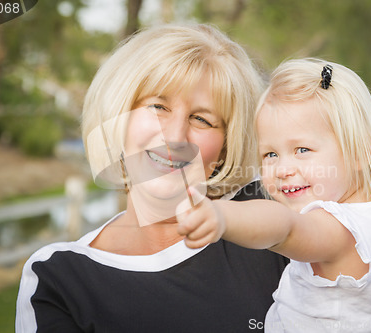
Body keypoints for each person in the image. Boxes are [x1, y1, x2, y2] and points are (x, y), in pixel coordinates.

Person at [15, 23, 290, 332]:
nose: (174, 136)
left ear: (226, 147)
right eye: (158, 106)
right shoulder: (58, 278)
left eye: (202, 119)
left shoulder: (271, 216)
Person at [177, 58, 371, 332]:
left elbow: (285, 228)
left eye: (302, 150)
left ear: (360, 152)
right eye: (270, 154)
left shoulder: (337, 232)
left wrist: (222, 215)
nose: (282, 169)